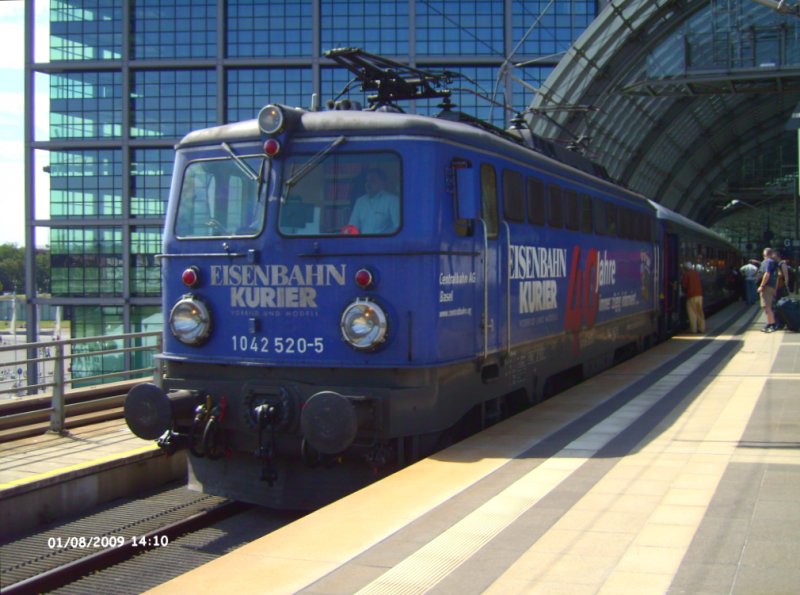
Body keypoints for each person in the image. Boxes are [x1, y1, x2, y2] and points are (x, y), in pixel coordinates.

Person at [347, 168, 399, 234]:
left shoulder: (393, 200)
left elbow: (397, 228)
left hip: (385, 243)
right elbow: (353, 227)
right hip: (364, 242)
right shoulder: (360, 201)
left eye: (373, 181)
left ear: (382, 183)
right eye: (367, 181)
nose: (368, 183)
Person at [756, 247, 778, 333]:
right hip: (772, 287)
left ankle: (772, 325)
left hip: (767, 287)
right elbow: (777, 277)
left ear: (765, 254)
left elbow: (767, 274)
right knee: (768, 307)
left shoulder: (767, 262)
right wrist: (775, 289)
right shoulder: (774, 263)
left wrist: (761, 285)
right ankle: (769, 323)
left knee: (767, 307)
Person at [681, 262, 705, 334]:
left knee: (692, 313)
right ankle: (701, 328)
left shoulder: (687, 274)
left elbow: (684, 285)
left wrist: (684, 290)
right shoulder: (696, 273)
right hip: (699, 295)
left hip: (691, 296)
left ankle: (693, 330)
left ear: (686, 268)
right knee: (700, 312)